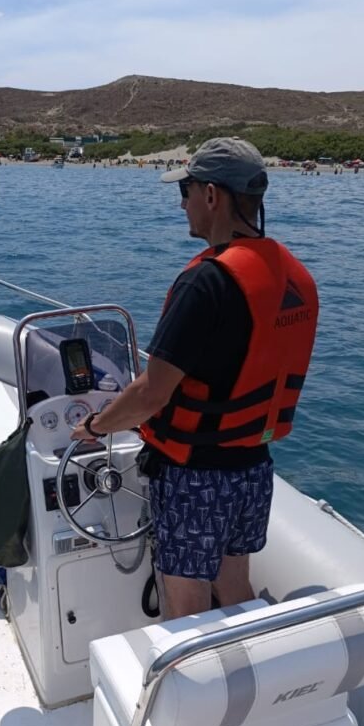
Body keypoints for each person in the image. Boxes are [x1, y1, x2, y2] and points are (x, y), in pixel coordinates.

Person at [72, 138, 318, 618]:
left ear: (211, 195)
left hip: (196, 476)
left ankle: (191, 690)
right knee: (234, 580)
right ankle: (251, 688)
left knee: (186, 606)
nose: (182, 204)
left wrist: (96, 427)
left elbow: (150, 395)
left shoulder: (205, 282)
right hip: (254, 468)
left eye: (184, 191)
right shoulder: (295, 276)